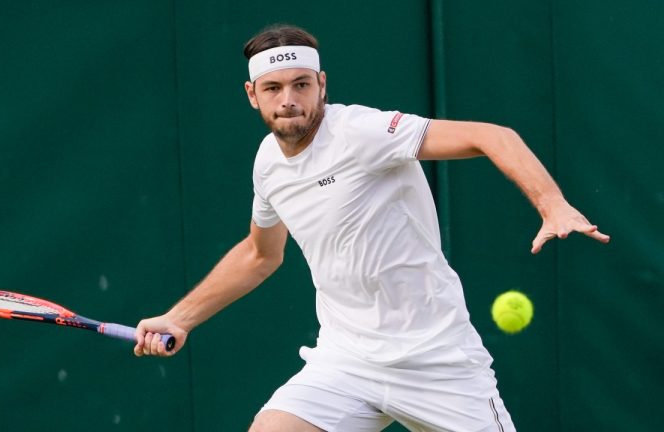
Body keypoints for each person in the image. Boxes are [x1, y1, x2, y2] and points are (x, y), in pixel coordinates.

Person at [134, 24, 610, 432]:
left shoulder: (360, 132)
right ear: (252, 93)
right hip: (345, 361)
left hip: (436, 360)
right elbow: (260, 255)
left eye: (301, 85)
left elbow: (491, 136)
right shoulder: (267, 164)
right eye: (274, 88)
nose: (289, 100)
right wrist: (181, 317)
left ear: (322, 84)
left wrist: (553, 205)